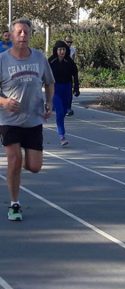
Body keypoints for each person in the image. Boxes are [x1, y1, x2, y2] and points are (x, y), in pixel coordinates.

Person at [0, 18, 54, 221]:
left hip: (33, 120)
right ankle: (14, 204)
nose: (23, 35)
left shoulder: (39, 58)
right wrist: (4, 102)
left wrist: (49, 103)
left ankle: (21, 165)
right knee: (14, 160)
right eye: (19, 32)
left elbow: (49, 83)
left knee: (34, 167)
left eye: (26, 32)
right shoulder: (2, 60)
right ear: (11, 35)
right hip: (9, 120)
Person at [48, 40, 80, 146]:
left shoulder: (69, 61)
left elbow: (75, 74)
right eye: (60, 49)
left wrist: (76, 87)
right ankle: (62, 135)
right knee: (60, 112)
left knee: (65, 110)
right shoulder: (51, 61)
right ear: (56, 50)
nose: (62, 51)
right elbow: (45, 75)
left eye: (63, 49)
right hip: (55, 89)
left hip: (67, 88)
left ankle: (57, 109)